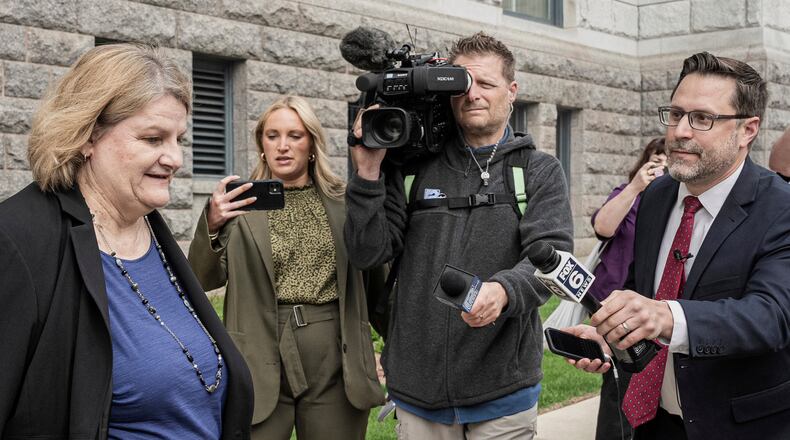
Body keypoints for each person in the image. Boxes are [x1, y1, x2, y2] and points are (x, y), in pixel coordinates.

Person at [0, 44, 253, 439]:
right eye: (153, 139)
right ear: (87, 135)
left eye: (178, 140)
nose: (175, 159)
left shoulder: (149, 226)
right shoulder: (17, 238)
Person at [346, 32, 574, 439]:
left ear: (512, 91)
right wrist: (367, 172)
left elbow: (551, 257)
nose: (474, 96)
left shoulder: (538, 170)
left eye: (486, 84)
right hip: (418, 390)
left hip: (503, 389)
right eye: (463, 86)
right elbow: (368, 252)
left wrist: (503, 291)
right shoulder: (413, 168)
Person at [566, 52, 790, 439]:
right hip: (653, 423)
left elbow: (770, 316)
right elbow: (643, 289)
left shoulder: (780, 207)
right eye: (675, 114)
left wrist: (666, 317)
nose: (680, 131)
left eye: (702, 118)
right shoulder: (657, 195)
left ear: (748, 130)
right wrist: (614, 333)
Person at [188, 96, 385, 440]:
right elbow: (201, 279)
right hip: (260, 346)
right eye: (272, 135)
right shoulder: (239, 204)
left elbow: (376, 280)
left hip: (335, 350)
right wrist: (213, 222)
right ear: (261, 144)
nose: (283, 146)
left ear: (312, 143)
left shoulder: (345, 200)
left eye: (295, 136)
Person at [589, 137, 666, 440]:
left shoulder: (681, 203)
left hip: (660, 305)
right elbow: (602, 228)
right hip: (619, 302)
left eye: (668, 163)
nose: (661, 169)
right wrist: (636, 187)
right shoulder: (628, 194)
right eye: (655, 162)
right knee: (620, 383)